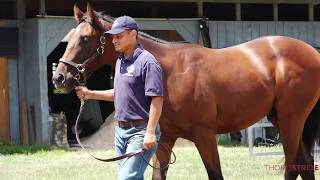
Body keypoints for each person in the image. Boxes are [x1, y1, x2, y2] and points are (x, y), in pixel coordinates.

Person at [75, 15, 163, 180]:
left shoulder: (148, 62)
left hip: (140, 132)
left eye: (119, 36)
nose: (114, 40)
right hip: (121, 132)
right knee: (132, 177)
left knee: (126, 178)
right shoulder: (120, 61)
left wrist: (150, 132)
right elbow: (120, 93)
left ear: (133, 34)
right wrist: (91, 94)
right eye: (113, 36)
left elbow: (157, 99)